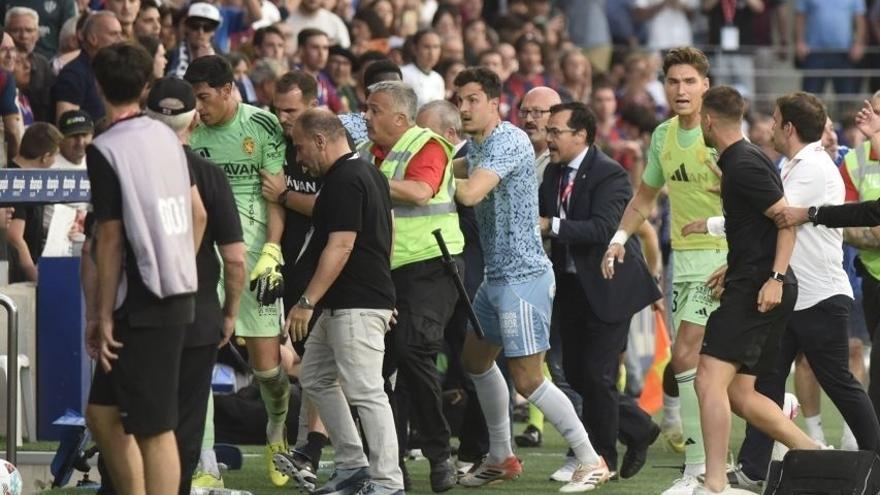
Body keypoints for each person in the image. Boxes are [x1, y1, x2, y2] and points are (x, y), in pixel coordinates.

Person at [689, 92, 880, 489]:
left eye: (775, 121)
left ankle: (872, 456)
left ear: (789, 128)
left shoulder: (812, 167)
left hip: (816, 294)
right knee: (763, 384)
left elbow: (779, 216)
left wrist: (715, 228)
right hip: (787, 292)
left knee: (837, 381)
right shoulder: (791, 164)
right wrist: (741, 264)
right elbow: (767, 220)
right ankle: (758, 468)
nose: (770, 127)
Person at [452, 66, 610, 493]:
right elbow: (457, 166)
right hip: (496, 276)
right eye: (459, 100)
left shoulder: (508, 140)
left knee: (528, 379)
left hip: (524, 277)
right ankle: (501, 456)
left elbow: (468, 192)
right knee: (475, 361)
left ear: (493, 104)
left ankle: (591, 460)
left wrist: (423, 180)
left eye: (472, 100)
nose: (463, 108)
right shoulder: (479, 144)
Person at [84, 41, 206, 495]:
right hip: (171, 288)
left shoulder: (106, 148)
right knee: (102, 414)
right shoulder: (165, 137)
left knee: (154, 428)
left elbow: (110, 236)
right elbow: (197, 213)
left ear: (98, 86)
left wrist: (101, 314)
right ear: (145, 87)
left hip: (146, 296)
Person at [604, 46, 722, 495]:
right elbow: (644, 197)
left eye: (690, 81)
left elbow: (750, 197)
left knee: (688, 356)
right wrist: (619, 238)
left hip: (722, 257)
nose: (681, 89)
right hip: (683, 260)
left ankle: (696, 470)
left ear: (705, 86)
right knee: (705, 366)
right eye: (673, 81)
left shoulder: (720, 133)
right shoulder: (662, 136)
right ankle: (772, 412)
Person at [693, 85, 820, 495]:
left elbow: (786, 221)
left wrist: (775, 278)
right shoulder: (742, 160)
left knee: (707, 380)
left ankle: (715, 484)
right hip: (754, 281)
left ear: (707, 120)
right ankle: (816, 456)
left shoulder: (744, 163)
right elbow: (760, 226)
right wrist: (735, 266)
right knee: (740, 394)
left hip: (760, 288)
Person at [184, 54, 291, 487]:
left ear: (228, 89)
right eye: (193, 98)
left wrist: (273, 249)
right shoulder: (189, 131)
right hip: (205, 257)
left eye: (204, 97)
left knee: (268, 370)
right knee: (199, 362)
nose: (198, 106)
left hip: (254, 258)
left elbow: (275, 196)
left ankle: (277, 431)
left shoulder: (262, 126)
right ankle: (205, 465)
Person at [540, 101, 661, 480]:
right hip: (571, 286)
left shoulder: (610, 174)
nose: (548, 138)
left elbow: (604, 227)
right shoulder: (553, 172)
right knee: (577, 375)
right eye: (548, 131)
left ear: (581, 135)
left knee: (597, 374)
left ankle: (601, 457)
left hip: (610, 285)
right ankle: (639, 427)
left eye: (555, 131)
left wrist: (550, 225)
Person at [285, 108, 401, 495]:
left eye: (300, 147)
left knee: (366, 391)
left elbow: (342, 244)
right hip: (352, 300)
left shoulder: (345, 179)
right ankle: (353, 466)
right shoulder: (368, 172)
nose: (299, 158)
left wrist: (307, 301)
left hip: (354, 302)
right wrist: (384, 288)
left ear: (321, 141)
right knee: (316, 376)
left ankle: (387, 483)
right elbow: (389, 231)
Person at [357, 80, 462, 493]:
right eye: (367, 108)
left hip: (430, 265)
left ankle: (438, 453)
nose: (367, 116)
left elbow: (420, 192)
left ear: (400, 119)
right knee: (375, 368)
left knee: (412, 349)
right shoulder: (366, 153)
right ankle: (389, 463)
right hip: (382, 272)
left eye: (375, 110)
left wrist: (365, 180)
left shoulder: (427, 145)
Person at [147, 75, 247, 495]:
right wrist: (230, 312)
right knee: (186, 421)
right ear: (194, 120)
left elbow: (101, 247)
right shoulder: (209, 175)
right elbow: (235, 258)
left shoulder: (127, 167)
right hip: (198, 313)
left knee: (140, 416)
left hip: (142, 312)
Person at [776, 96, 880, 417]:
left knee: (849, 372)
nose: (873, 118)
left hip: (826, 286)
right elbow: (860, 215)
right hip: (869, 274)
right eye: (874, 111)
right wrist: (812, 214)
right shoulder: (852, 160)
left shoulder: (816, 166)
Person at [261, 70, 329, 493]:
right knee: (272, 364)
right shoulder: (271, 142)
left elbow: (333, 206)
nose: (283, 117)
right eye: (277, 109)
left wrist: (286, 196)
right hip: (273, 267)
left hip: (319, 270)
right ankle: (281, 428)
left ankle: (311, 451)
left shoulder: (328, 145)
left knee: (317, 364)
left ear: (312, 105)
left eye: (291, 109)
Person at [415, 99, 491, 474]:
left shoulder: (471, 163)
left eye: (424, 132)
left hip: (468, 281)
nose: (416, 140)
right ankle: (429, 441)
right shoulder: (435, 160)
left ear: (448, 134)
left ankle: (477, 450)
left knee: (474, 369)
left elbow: (468, 198)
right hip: (428, 279)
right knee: (421, 362)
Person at [6, 122, 62, 283]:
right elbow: (15, 237)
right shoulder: (16, 181)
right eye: (55, 156)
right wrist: (34, 277)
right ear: (45, 157)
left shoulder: (22, 178)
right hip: (16, 275)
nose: (55, 162)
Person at [51, 11, 123, 123]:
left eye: (120, 34)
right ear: (93, 39)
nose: (120, 39)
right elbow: (66, 124)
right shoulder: (73, 75)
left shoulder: (113, 70)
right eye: (113, 34)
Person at [5, 6, 55, 123]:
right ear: (6, 33)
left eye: (29, 30)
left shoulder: (43, 64)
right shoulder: (3, 64)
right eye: (16, 30)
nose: (24, 36)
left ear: (37, 34)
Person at [400, 28, 444, 107]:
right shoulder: (403, 74)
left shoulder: (438, 79)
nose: (432, 53)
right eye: (426, 47)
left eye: (436, 47)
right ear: (414, 49)